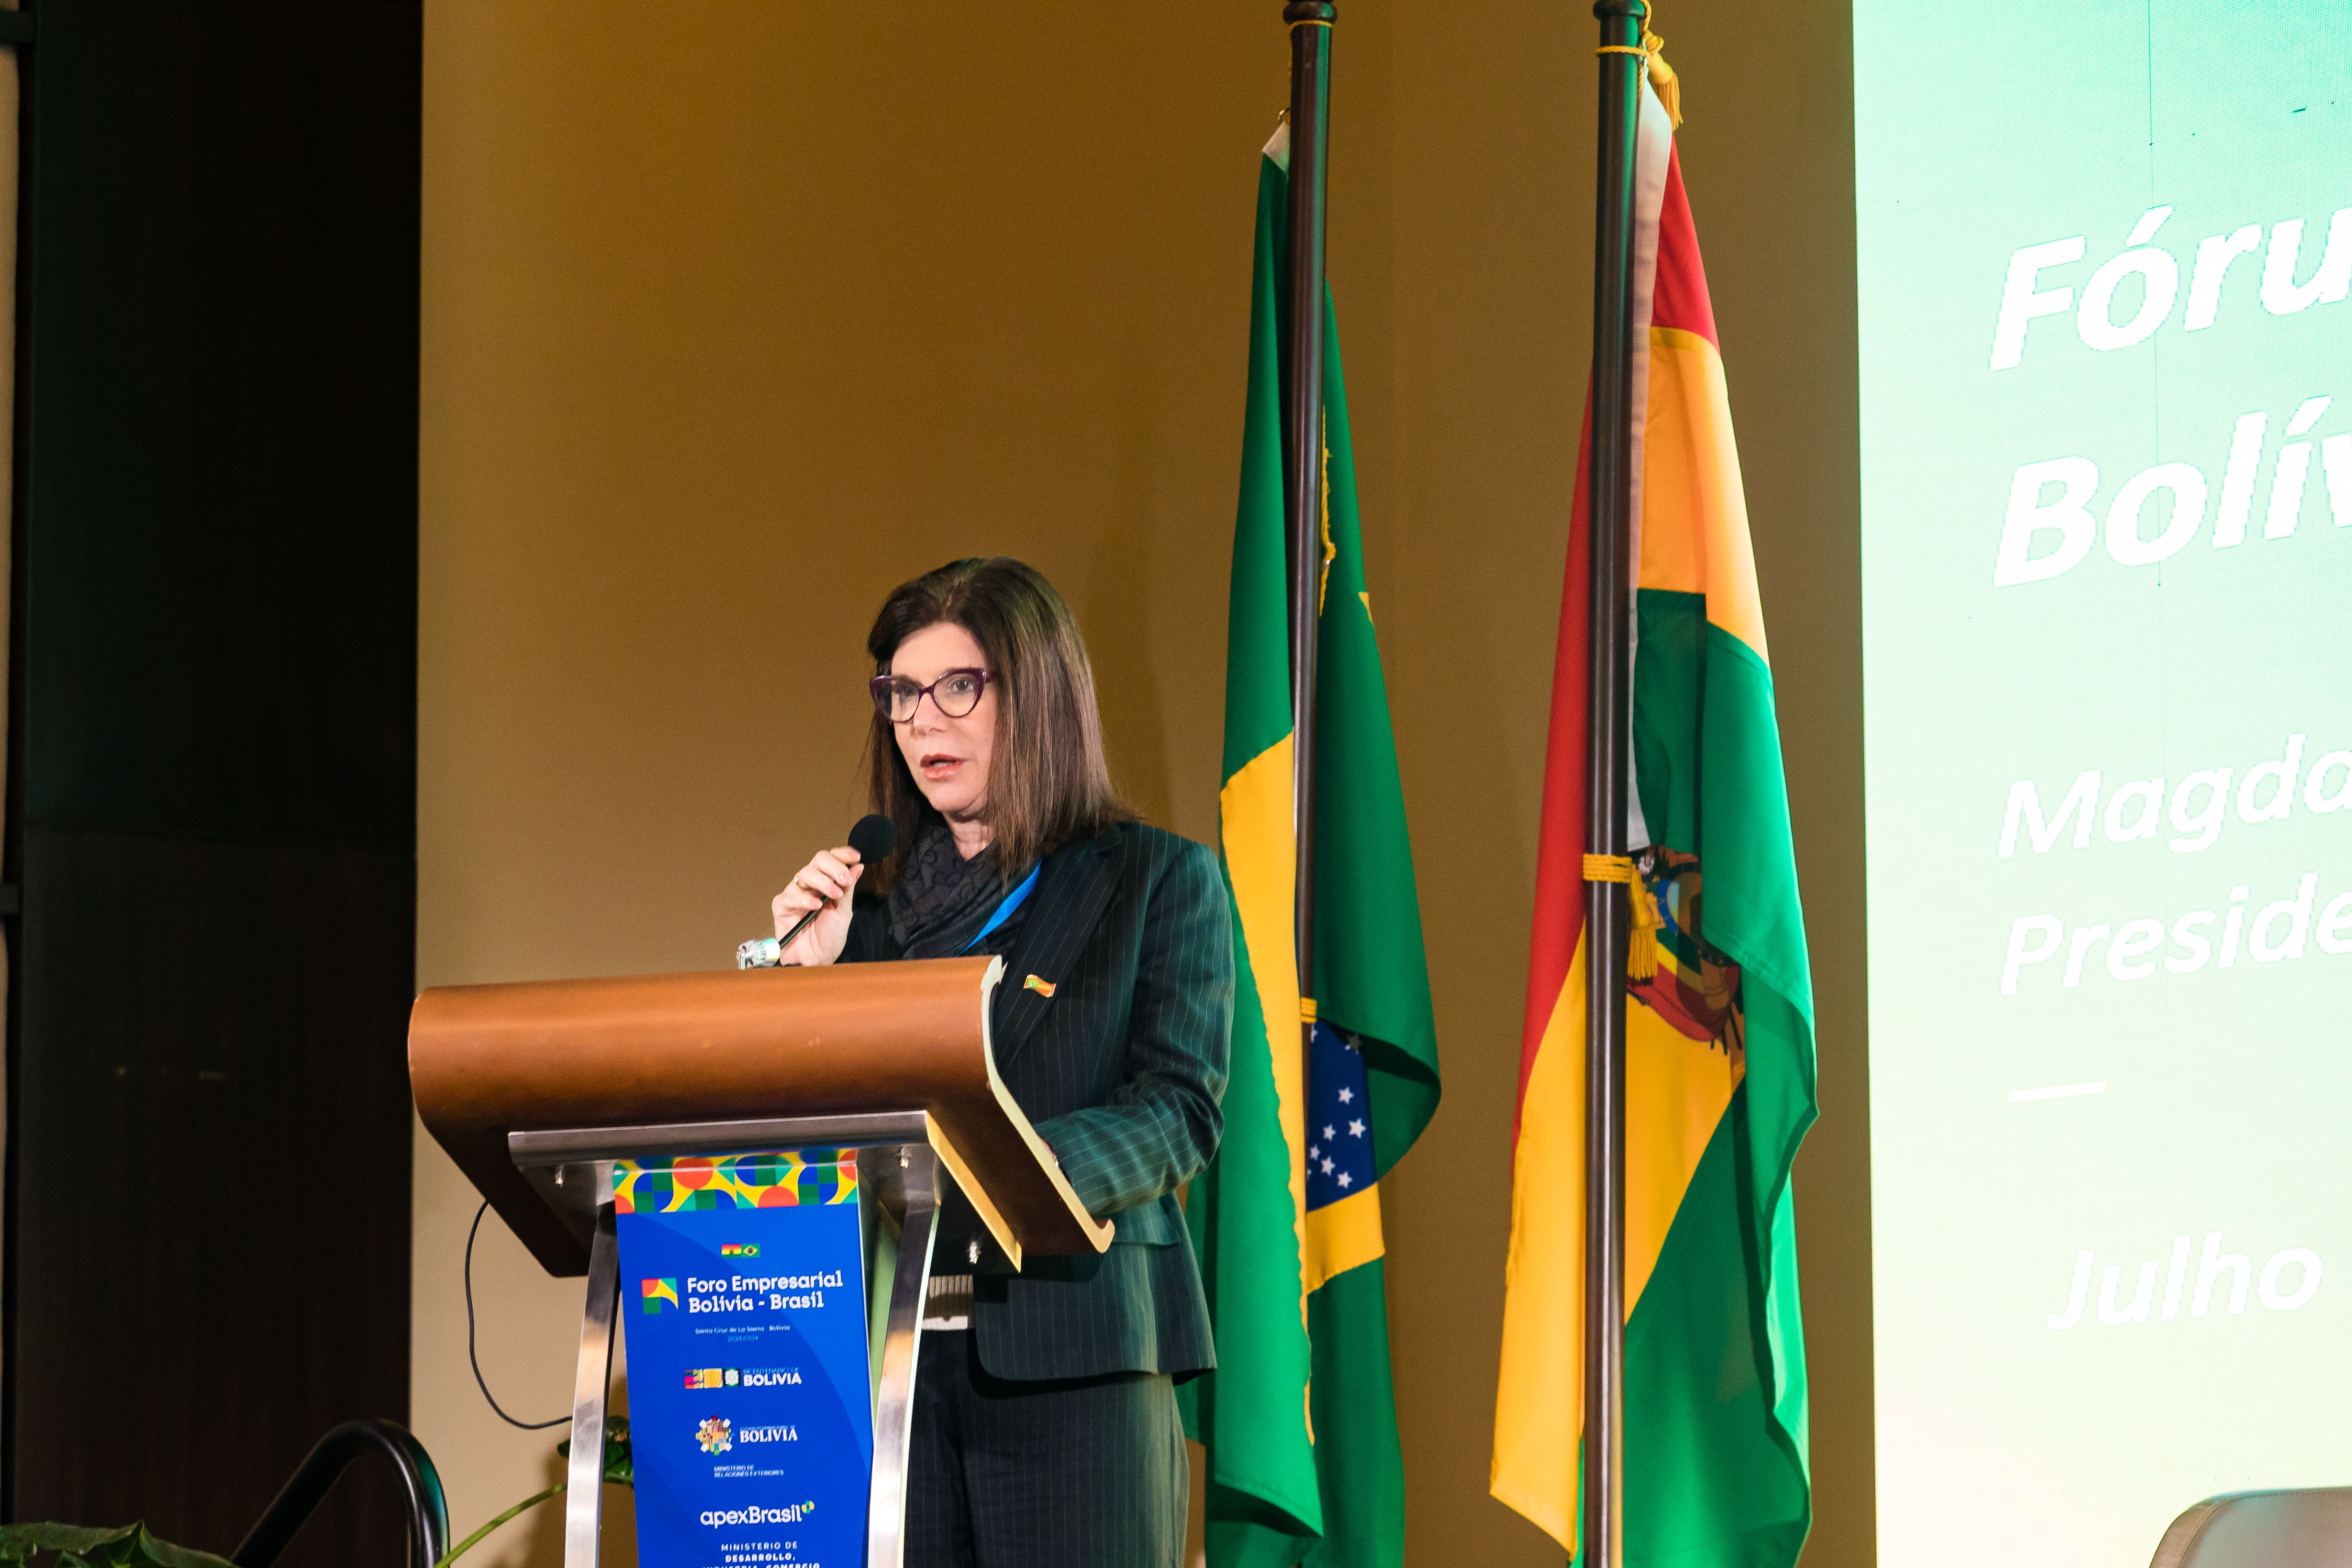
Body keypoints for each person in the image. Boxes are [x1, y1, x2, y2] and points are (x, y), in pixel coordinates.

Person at [769, 556, 1232, 1568]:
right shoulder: (868, 917)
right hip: (891, 1360)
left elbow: (1180, 1108)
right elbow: (810, 1126)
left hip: (1076, 1354)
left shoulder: (1156, 880)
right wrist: (806, 980)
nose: (921, 721)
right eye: (901, 692)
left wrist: (1015, 1168)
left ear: (1039, 696)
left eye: (956, 687)